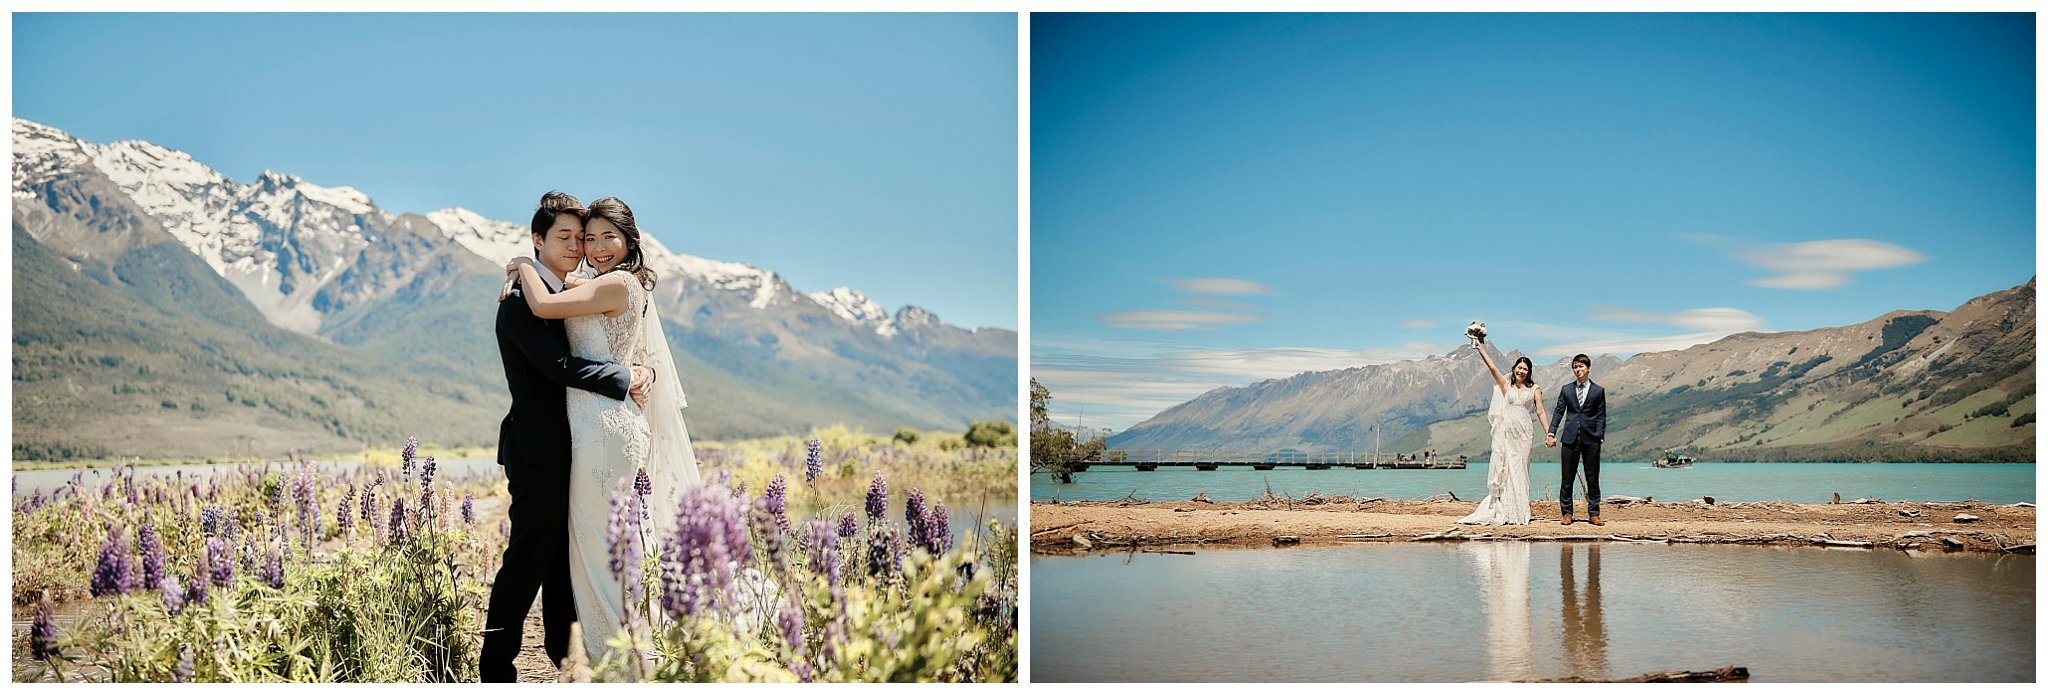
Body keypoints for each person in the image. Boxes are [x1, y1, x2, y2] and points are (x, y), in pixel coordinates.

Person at [504, 195, 700, 666]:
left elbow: (546, 303)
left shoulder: (618, 284)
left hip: (606, 429)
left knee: (603, 542)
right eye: (588, 238)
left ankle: (624, 656)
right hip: (592, 426)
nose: (595, 246)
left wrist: (521, 265)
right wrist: (635, 373)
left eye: (606, 237)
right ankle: (611, 651)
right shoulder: (594, 283)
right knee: (597, 541)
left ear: (630, 240)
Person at [480, 192, 653, 682]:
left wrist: (644, 370)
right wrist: (625, 377)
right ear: (538, 240)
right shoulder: (518, 302)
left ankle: (568, 661)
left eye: (583, 237)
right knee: (526, 564)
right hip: (538, 453)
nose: (578, 245)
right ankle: (495, 672)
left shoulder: (575, 289)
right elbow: (557, 367)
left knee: (566, 564)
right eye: (566, 237)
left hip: (582, 445)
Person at [1456, 336, 1548, 526]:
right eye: (1519, 367)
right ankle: (1506, 509)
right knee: (1507, 471)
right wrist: (1479, 348)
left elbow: (1540, 411)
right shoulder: (1506, 386)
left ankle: (1522, 511)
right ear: (1514, 368)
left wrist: (1549, 432)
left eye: (1525, 369)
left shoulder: (1535, 389)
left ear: (1529, 372)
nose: (1521, 371)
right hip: (1508, 434)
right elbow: (1492, 368)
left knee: (1521, 470)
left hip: (1524, 435)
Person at [1546, 353, 1607, 526]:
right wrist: (1551, 432)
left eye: (1581, 366)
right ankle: (1567, 513)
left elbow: (1601, 415)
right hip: (1570, 438)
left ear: (1588, 368)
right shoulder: (1566, 390)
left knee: (1592, 477)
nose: (1577, 370)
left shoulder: (1598, 391)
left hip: (1592, 439)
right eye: (1575, 367)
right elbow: (1559, 412)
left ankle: (1594, 513)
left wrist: (1600, 435)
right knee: (1567, 478)